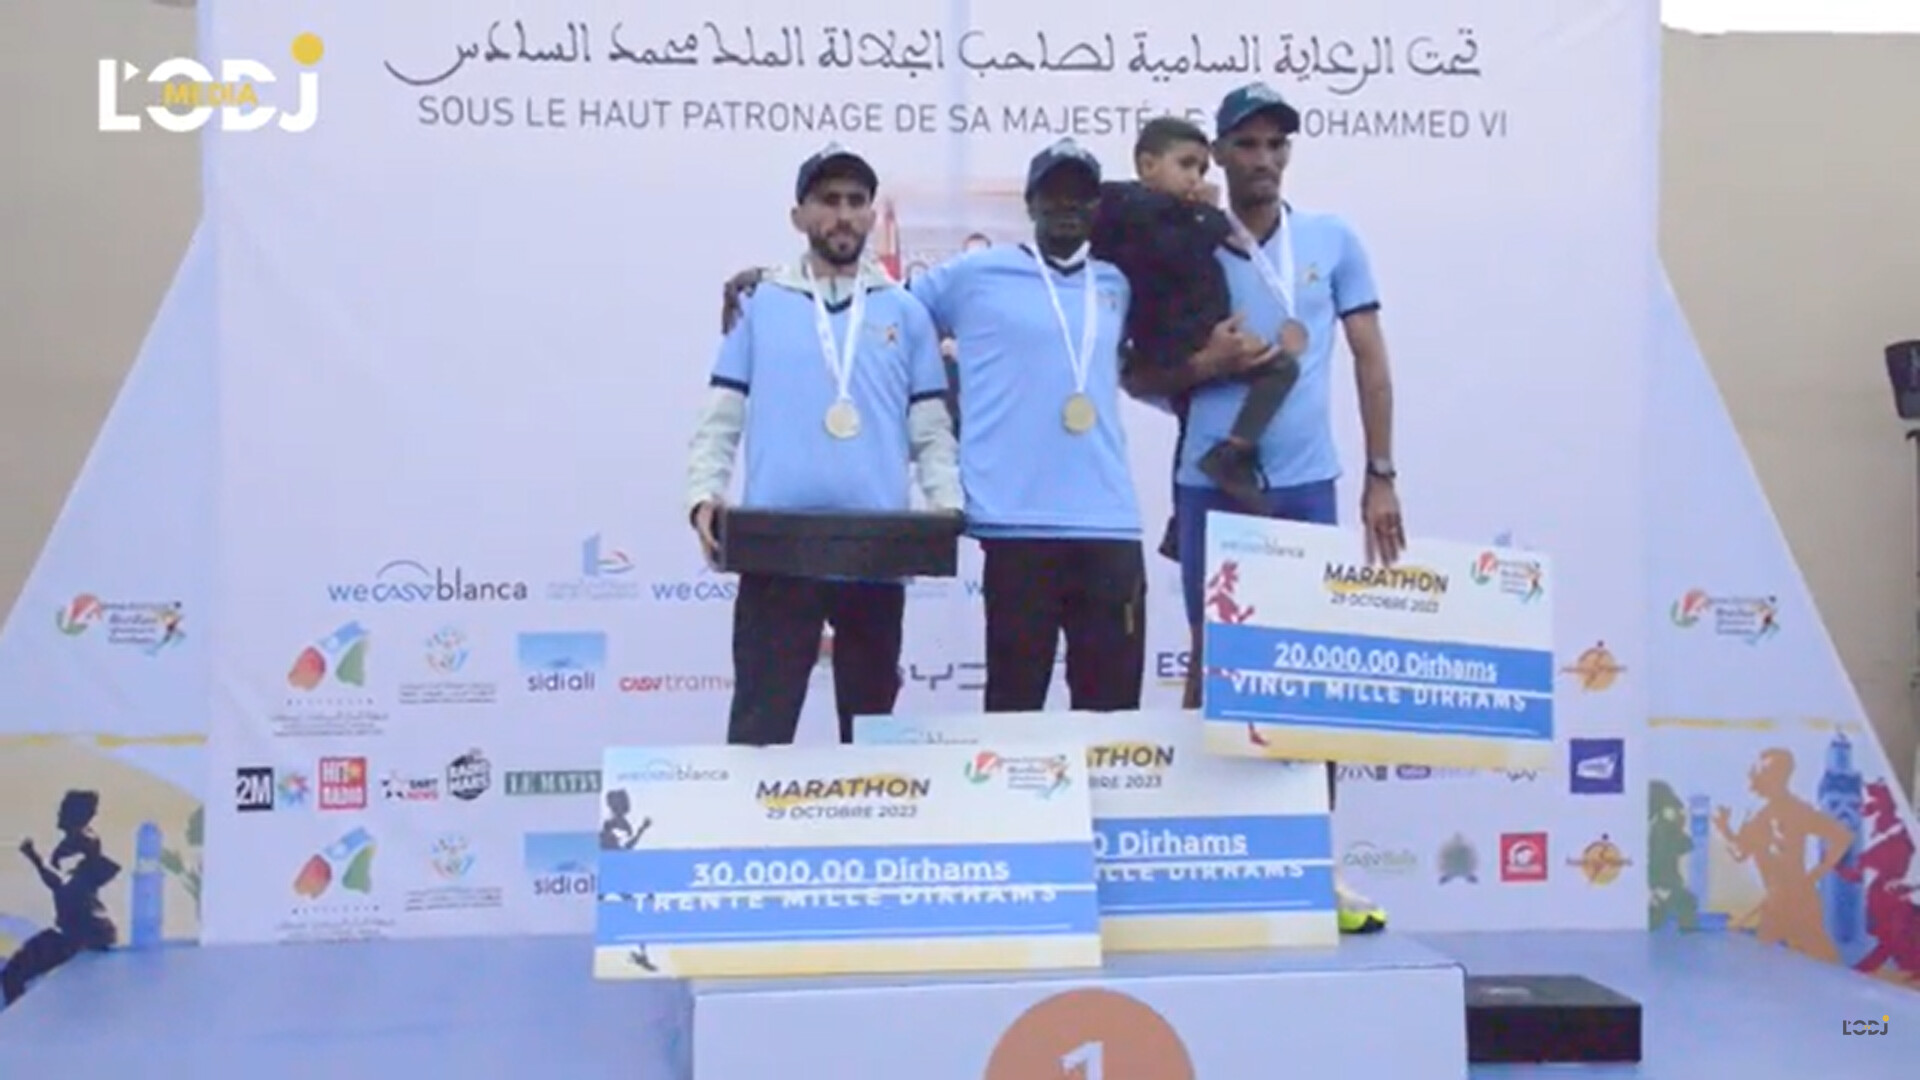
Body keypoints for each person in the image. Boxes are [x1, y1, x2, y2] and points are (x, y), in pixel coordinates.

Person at [1121, 83, 1406, 934]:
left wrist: (1381, 474)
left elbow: (1370, 358)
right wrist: (1204, 368)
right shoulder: (1185, 237)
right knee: (1212, 664)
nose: (1264, 160)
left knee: (1311, 677)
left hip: (1307, 482)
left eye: (1277, 145)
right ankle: (1198, 859)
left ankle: (1316, 865)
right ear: (1217, 154)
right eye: (1246, 145)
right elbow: (1135, 371)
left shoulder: (1333, 239)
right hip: (1212, 483)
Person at [686, 143, 961, 746]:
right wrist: (703, 492)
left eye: (856, 202)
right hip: (778, 547)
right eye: (828, 201)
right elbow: (722, 413)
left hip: (875, 549)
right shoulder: (759, 304)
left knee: (870, 735)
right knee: (760, 728)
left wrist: (946, 506)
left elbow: (930, 429)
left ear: (871, 215)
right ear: (800, 215)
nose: (843, 215)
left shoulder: (905, 311)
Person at [1090, 115, 1298, 557]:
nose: (1196, 179)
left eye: (1202, 169)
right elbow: (1178, 248)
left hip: (1185, 329)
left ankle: (1180, 521)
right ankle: (1233, 453)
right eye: (1186, 165)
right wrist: (1208, 215)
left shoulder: (1147, 212)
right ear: (1147, 165)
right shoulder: (1143, 213)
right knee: (1280, 367)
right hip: (1178, 334)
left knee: (1191, 420)